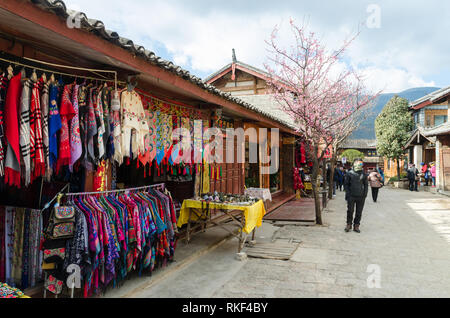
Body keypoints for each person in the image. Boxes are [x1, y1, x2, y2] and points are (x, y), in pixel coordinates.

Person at [344, 159, 368, 233]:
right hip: (351, 196)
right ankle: (349, 224)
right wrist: (348, 194)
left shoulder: (363, 174)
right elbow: (346, 184)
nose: (359, 165)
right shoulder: (349, 173)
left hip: (361, 196)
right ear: (354, 164)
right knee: (350, 210)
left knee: (359, 212)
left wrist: (365, 194)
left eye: (360, 163)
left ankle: (356, 225)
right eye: (357, 163)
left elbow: (366, 185)